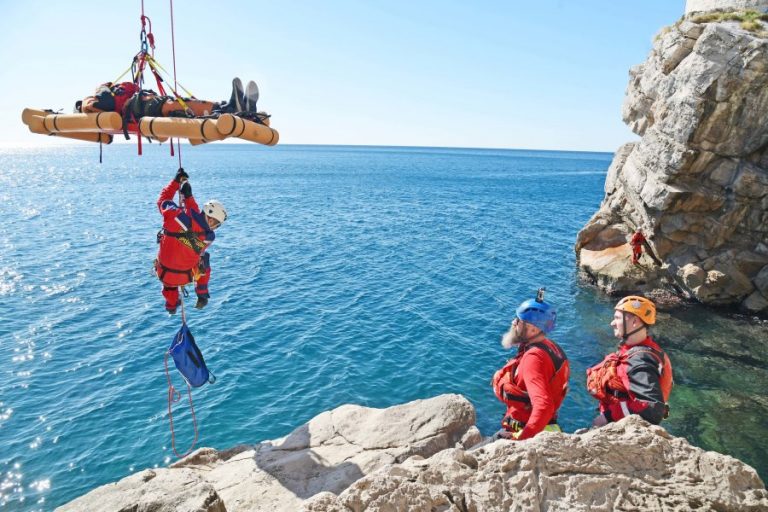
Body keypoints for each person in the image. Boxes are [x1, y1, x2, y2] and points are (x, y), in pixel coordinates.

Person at [491, 289, 570, 440]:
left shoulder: (533, 358)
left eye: (519, 320)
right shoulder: (553, 348)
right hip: (547, 427)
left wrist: (521, 440)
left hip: (523, 431)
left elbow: (543, 406)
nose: (514, 323)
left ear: (533, 329)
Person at [586, 296, 673, 427]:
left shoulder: (640, 360)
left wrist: (608, 417)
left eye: (617, 318)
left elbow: (652, 409)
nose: (612, 323)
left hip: (621, 429)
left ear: (634, 322)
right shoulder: (646, 350)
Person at [154, 168, 227, 314]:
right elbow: (195, 222)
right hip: (186, 276)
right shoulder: (209, 237)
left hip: (164, 274)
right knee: (204, 258)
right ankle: (202, 294)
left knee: (170, 275)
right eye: (216, 224)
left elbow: (163, 200)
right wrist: (188, 198)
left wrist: (175, 182)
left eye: (216, 225)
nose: (214, 228)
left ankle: (171, 305)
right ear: (210, 218)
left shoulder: (175, 216)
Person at [77, 77, 261, 119]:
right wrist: (101, 87)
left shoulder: (108, 94)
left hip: (145, 103)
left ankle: (229, 106)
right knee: (178, 105)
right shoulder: (92, 102)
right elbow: (97, 104)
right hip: (141, 108)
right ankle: (230, 109)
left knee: (185, 102)